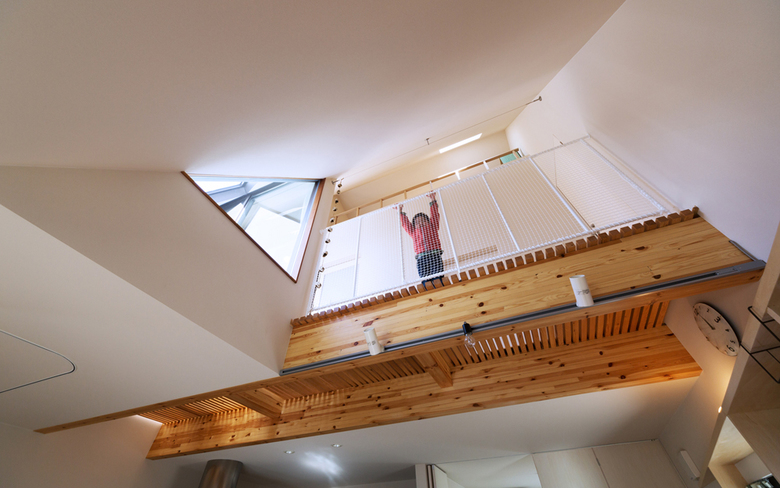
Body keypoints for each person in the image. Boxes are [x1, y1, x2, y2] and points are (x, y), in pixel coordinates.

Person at [399, 193, 444, 286]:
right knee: (425, 277)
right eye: (417, 222)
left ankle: (440, 284)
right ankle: (426, 287)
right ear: (414, 226)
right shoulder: (413, 232)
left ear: (429, 222)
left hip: (434, 254)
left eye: (423, 220)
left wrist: (433, 200)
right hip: (421, 258)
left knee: (438, 275)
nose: (421, 223)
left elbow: (435, 215)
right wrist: (400, 211)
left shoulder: (433, 226)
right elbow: (405, 224)